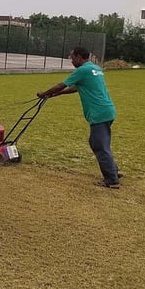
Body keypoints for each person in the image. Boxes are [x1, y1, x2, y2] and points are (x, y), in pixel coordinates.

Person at [37, 46, 121, 188]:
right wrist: (60, 94)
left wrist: (45, 93)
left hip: (98, 113)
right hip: (107, 111)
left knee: (99, 145)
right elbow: (79, 87)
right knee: (98, 143)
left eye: (72, 58)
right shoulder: (95, 69)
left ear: (79, 57)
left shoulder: (82, 70)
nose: (71, 61)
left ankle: (112, 180)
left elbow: (61, 85)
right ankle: (113, 170)